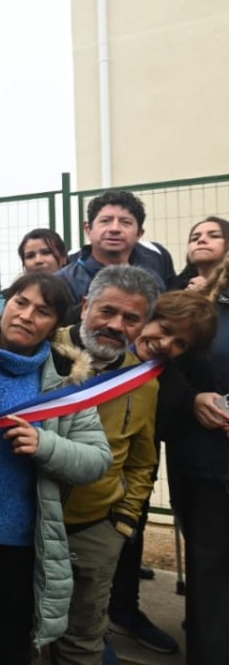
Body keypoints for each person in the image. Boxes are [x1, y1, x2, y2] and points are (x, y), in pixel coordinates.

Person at [0, 273, 112, 665]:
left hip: (19, 539)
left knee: (8, 644)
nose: (26, 316)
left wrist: (46, 445)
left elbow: (97, 460)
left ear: (55, 324)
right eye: (20, 302)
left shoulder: (66, 381)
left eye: (42, 311)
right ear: (5, 303)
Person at [47, 265, 162, 665]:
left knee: (83, 639)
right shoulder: (42, 350)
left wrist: (122, 523)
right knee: (13, 632)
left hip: (95, 530)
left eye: (131, 318)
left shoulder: (144, 382)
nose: (116, 325)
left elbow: (142, 461)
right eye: (107, 311)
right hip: (25, 524)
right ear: (85, 306)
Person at [103, 289, 217, 658]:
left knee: (125, 543)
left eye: (180, 343)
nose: (166, 344)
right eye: (164, 329)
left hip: (128, 481)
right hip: (72, 477)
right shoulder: (97, 347)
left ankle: (119, 613)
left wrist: (193, 400)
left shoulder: (171, 383)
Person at [166, 257, 229, 664]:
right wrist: (191, 400)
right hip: (211, 467)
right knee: (211, 572)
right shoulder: (203, 311)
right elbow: (165, 369)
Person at [56, 191, 175, 304]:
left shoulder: (153, 274)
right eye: (105, 221)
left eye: (125, 222)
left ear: (139, 233)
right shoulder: (64, 282)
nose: (114, 229)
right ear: (88, 230)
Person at [169, 216, 228, 292]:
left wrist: (206, 292)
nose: (201, 240)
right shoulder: (176, 288)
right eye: (194, 238)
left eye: (214, 236)